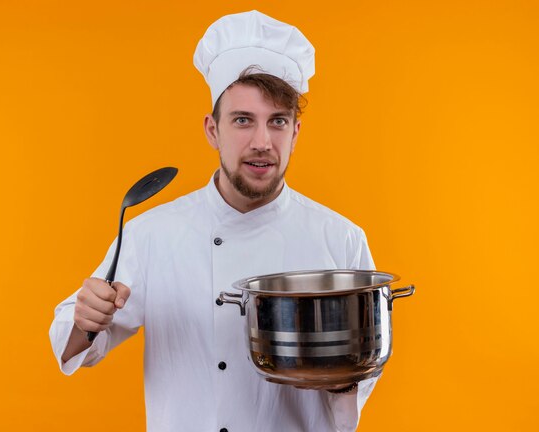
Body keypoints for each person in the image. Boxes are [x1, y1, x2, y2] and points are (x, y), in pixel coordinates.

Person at [50, 10, 379, 432]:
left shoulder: (342, 240)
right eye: (243, 120)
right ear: (212, 130)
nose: (262, 142)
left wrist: (342, 376)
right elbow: (72, 344)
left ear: (295, 132)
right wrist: (87, 319)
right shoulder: (152, 233)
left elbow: (356, 390)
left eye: (277, 121)